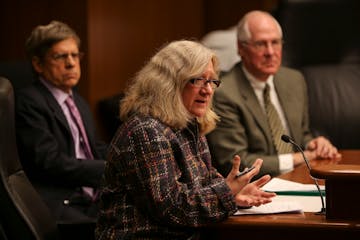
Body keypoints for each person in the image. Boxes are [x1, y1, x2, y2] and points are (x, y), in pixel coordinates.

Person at [95, 40, 276, 239]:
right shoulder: (146, 132)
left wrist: (234, 194)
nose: (207, 90)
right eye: (198, 80)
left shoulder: (188, 125)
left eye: (211, 81)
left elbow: (205, 182)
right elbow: (171, 208)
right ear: (169, 83)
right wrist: (226, 192)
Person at [206, 10, 341, 178]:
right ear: (241, 48)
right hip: (256, 187)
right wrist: (299, 158)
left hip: (299, 178)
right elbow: (236, 163)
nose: (270, 52)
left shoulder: (294, 80)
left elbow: (301, 134)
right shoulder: (223, 93)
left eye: (275, 42)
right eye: (261, 44)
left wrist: (314, 145)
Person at [15, 21, 107, 222]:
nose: (71, 63)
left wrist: (126, 157)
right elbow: (50, 162)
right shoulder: (29, 102)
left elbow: (93, 148)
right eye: (60, 56)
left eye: (75, 55)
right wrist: (107, 169)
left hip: (93, 194)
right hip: (61, 199)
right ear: (38, 64)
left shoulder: (79, 101)